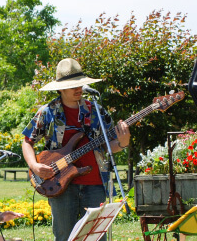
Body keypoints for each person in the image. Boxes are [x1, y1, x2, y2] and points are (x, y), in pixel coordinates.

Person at [21, 58, 131, 241]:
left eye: (80, 84)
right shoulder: (47, 112)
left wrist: (123, 142)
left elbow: (108, 147)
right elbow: (27, 141)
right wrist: (34, 165)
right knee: (64, 236)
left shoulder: (96, 110)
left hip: (95, 183)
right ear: (61, 88)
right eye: (73, 85)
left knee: (96, 238)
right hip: (60, 184)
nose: (78, 89)